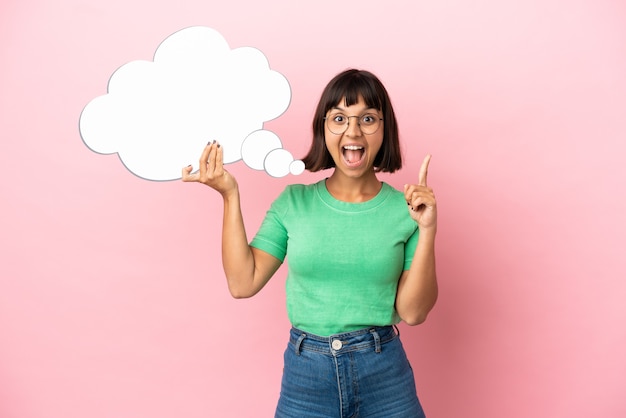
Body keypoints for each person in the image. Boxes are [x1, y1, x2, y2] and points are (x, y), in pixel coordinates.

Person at [182, 69, 438, 417]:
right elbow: (243, 283)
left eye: (367, 118)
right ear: (323, 128)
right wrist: (229, 195)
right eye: (339, 118)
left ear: (384, 128)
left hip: (385, 376)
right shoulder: (293, 203)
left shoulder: (406, 209)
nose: (353, 131)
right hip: (307, 378)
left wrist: (428, 229)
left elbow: (414, 312)